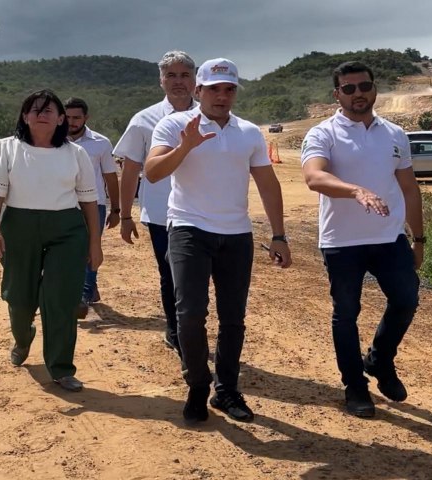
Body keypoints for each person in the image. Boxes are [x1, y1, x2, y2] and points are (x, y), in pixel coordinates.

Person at [145, 58, 292, 423]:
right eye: (214, 89)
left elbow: (268, 184)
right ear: (198, 90)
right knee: (190, 313)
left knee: (233, 318)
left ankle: (226, 391)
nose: (222, 96)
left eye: (229, 89)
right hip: (188, 229)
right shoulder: (175, 124)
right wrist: (186, 147)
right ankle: (197, 384)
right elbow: (151, 173)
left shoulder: (248, 133)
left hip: (236, 234)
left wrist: (278, 235)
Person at [301, 61, 424, 418]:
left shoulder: (395, 134)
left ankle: (380, 360)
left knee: (406, 300)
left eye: (364, 86)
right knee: (346, 314)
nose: (358, 94)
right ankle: (355, 387)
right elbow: (313, 177)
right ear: (337, 94)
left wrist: (419, 239)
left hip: (389, 238)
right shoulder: (323, 133)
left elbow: (410, 189)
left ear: (374, 88)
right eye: (349, 88)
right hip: (342, 241)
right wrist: (355, 190)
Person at [0, 89, 102, 392]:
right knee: (19, 298)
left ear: (61, 118)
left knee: (60, 298)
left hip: (66, 229)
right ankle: (23, 339)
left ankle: (61, 367)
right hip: (19, 227)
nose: (41, 113)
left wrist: (94, 243)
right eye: (34, 109)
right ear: (24, 116)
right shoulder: (5, 148)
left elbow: (89, 201)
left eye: (49, 109)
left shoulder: (76, 154)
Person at [113, 51, 198, 356]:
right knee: (171, 275)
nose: (178, 82)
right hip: (162, 215)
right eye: (171, 76)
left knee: (196, 278)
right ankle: (176, 330)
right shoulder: (143, 120)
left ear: (195, 79)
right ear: (161, 80)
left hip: (202, 213)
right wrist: (124, 215)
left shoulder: (209, 115)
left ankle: (189, 327)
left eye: (184, 75)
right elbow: (131, 171)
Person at [64, 97, 120, 318]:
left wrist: (117, 210)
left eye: (76, 117)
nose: (72, 122)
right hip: (62, 205)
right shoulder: (52, 140)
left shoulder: (101, 143)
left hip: (94, 205)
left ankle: (84, 295)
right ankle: (72, 291)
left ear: (86, 118)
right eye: (67, 117)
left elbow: (110, 177)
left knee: (90, 249)